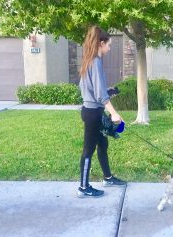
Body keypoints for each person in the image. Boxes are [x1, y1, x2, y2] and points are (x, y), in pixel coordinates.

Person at [77, 26, 126, 198]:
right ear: (101, 43)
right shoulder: (95, 61)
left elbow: (91, 88)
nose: (109, 48)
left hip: (93, 111)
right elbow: (98, 94)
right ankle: (83, 187)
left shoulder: (89, 60)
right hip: (92, 113)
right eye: (109, 45)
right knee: (88, 150)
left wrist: (108, 90)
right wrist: (114, 113)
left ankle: (108, 178)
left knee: (102, 145)